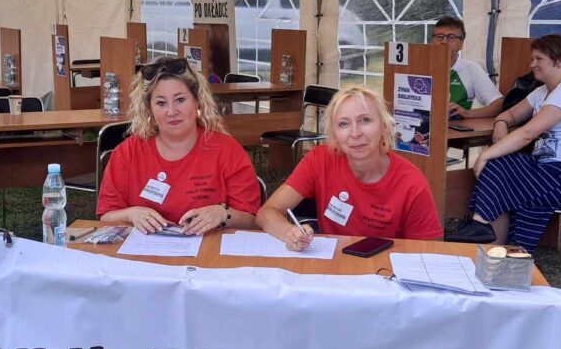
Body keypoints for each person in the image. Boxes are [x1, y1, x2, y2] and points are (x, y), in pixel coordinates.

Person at [448, 34, 561, 251]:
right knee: (501, 170)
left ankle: (483, 229)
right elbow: (509, 114)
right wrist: (500, 124)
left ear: (560, 61)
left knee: (499, 165)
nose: (532, 65)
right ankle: (488, 237)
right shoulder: (541, 91)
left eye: (538, 59)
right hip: (552, 170)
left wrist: (485, 154)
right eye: (533, 58)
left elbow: (528, 133)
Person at [257, 85, 443, 251]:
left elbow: (430, 250)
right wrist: (290, 232)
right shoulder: (320, 160)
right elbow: (266, 213)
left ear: (384, 127)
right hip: (333, 268)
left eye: (365, 120)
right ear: (334, 135)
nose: (355, 133)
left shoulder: (411, 183)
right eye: (343, 124)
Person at [97, 57, 261, 235]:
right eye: (161, 103)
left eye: (180, 100)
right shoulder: (128, 152)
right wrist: (131, 214)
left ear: (197, 101)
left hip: (210, 254)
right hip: (145, 256)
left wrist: (223, 214)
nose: (172, 111)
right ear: (149, 109)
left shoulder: (227, 150)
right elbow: (106, 216)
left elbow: (251, 221)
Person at [432, 15, 504, 119]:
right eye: (439, 36)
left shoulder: (471, 70)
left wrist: (467, 113)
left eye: (451, 37)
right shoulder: (416, 66)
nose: (444, 41)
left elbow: (499, 104)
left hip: (454, 132)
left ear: (461, 44)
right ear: (432, 40)